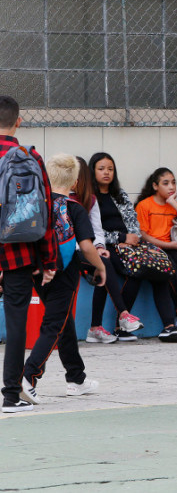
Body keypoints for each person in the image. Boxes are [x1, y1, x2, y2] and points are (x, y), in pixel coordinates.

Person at [20, 154, 106, 407]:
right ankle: (28, 377)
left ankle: (76, 378)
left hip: (39, 271)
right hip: (65, 271)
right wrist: (100, 267)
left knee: (63, 321)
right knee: (54, 325)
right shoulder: (74, 208)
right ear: (76, 181)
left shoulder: (38, 204)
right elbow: (87, 247)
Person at [0, 96, 58, 413]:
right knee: (16, 322)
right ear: (18, 122)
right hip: (17, 253)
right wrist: (48, 261)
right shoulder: (29, 157)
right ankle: (11, 395)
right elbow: (44, 213)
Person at [90, 152, 177, 343]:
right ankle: (121, 326)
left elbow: (133, 220)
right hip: (109, 246)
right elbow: (93, 231)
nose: (106, 173)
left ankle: (169, 326)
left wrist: (132, 237)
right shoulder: (90, 198)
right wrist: (121, 238)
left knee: (157, 269)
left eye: (110, 169)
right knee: (135, 273)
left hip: (132, 244)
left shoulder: (120, 193)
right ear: (92, 171)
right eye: (101, 169)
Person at [73, 156, 141, 343]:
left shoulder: (90, 199)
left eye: (79, 176)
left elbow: (95, 230)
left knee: (103, 264)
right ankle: (123, 314)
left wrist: (100, 247)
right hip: (67, 251)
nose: (75, 180)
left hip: (88, 249)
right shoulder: (59, 199)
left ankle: (96, 328)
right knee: (102, 264)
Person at [136, 167, 177, 333]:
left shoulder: (172, 205)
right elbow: (144, 236)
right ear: (155, 186)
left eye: (173, 183)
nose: (171, 187)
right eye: (166, 183)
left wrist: (173, 202)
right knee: (172, 270)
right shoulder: (144, 205)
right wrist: (170, 245)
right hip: (153, 248)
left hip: (173, 246)